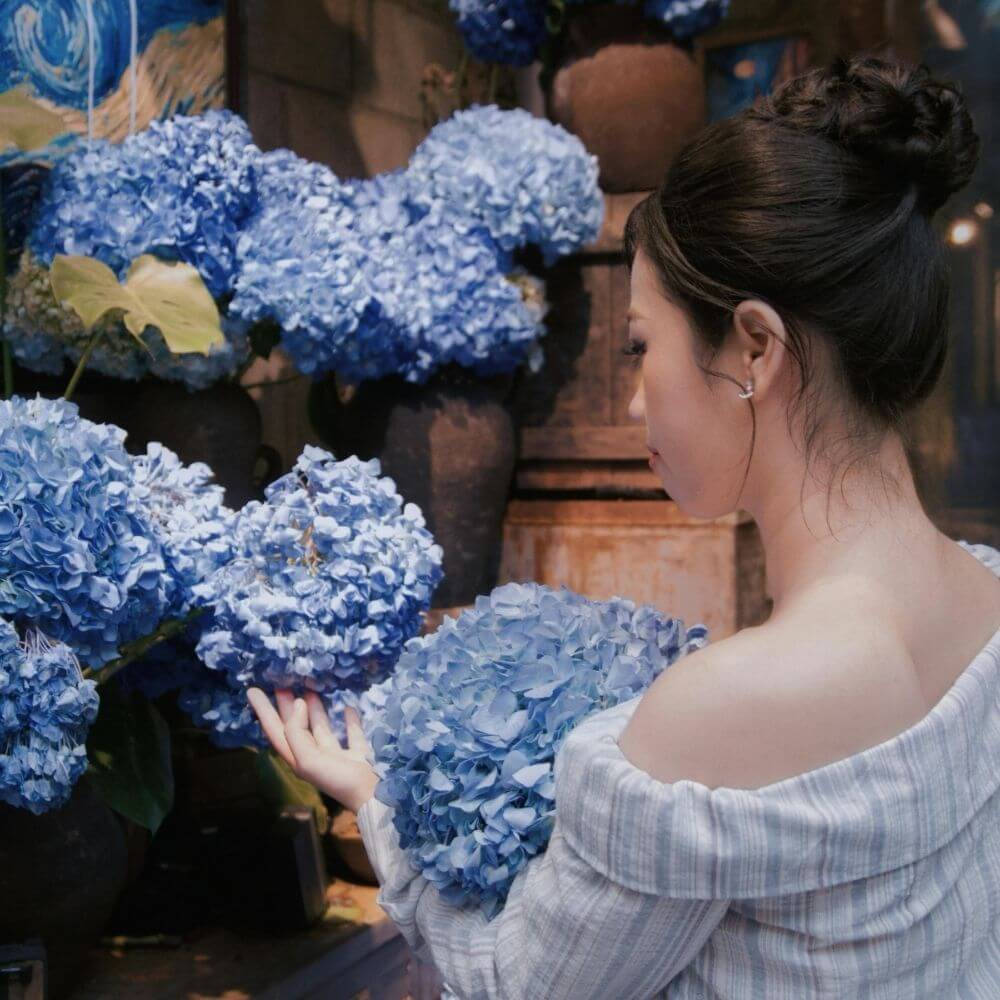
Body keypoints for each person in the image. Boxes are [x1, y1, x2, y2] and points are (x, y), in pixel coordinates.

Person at [247, 52, 1000, 998]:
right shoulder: (985, 596)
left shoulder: (720, 711)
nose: (638, 402)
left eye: (643, 347)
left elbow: (515, 984)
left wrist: (376, 797)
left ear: (756, 348)